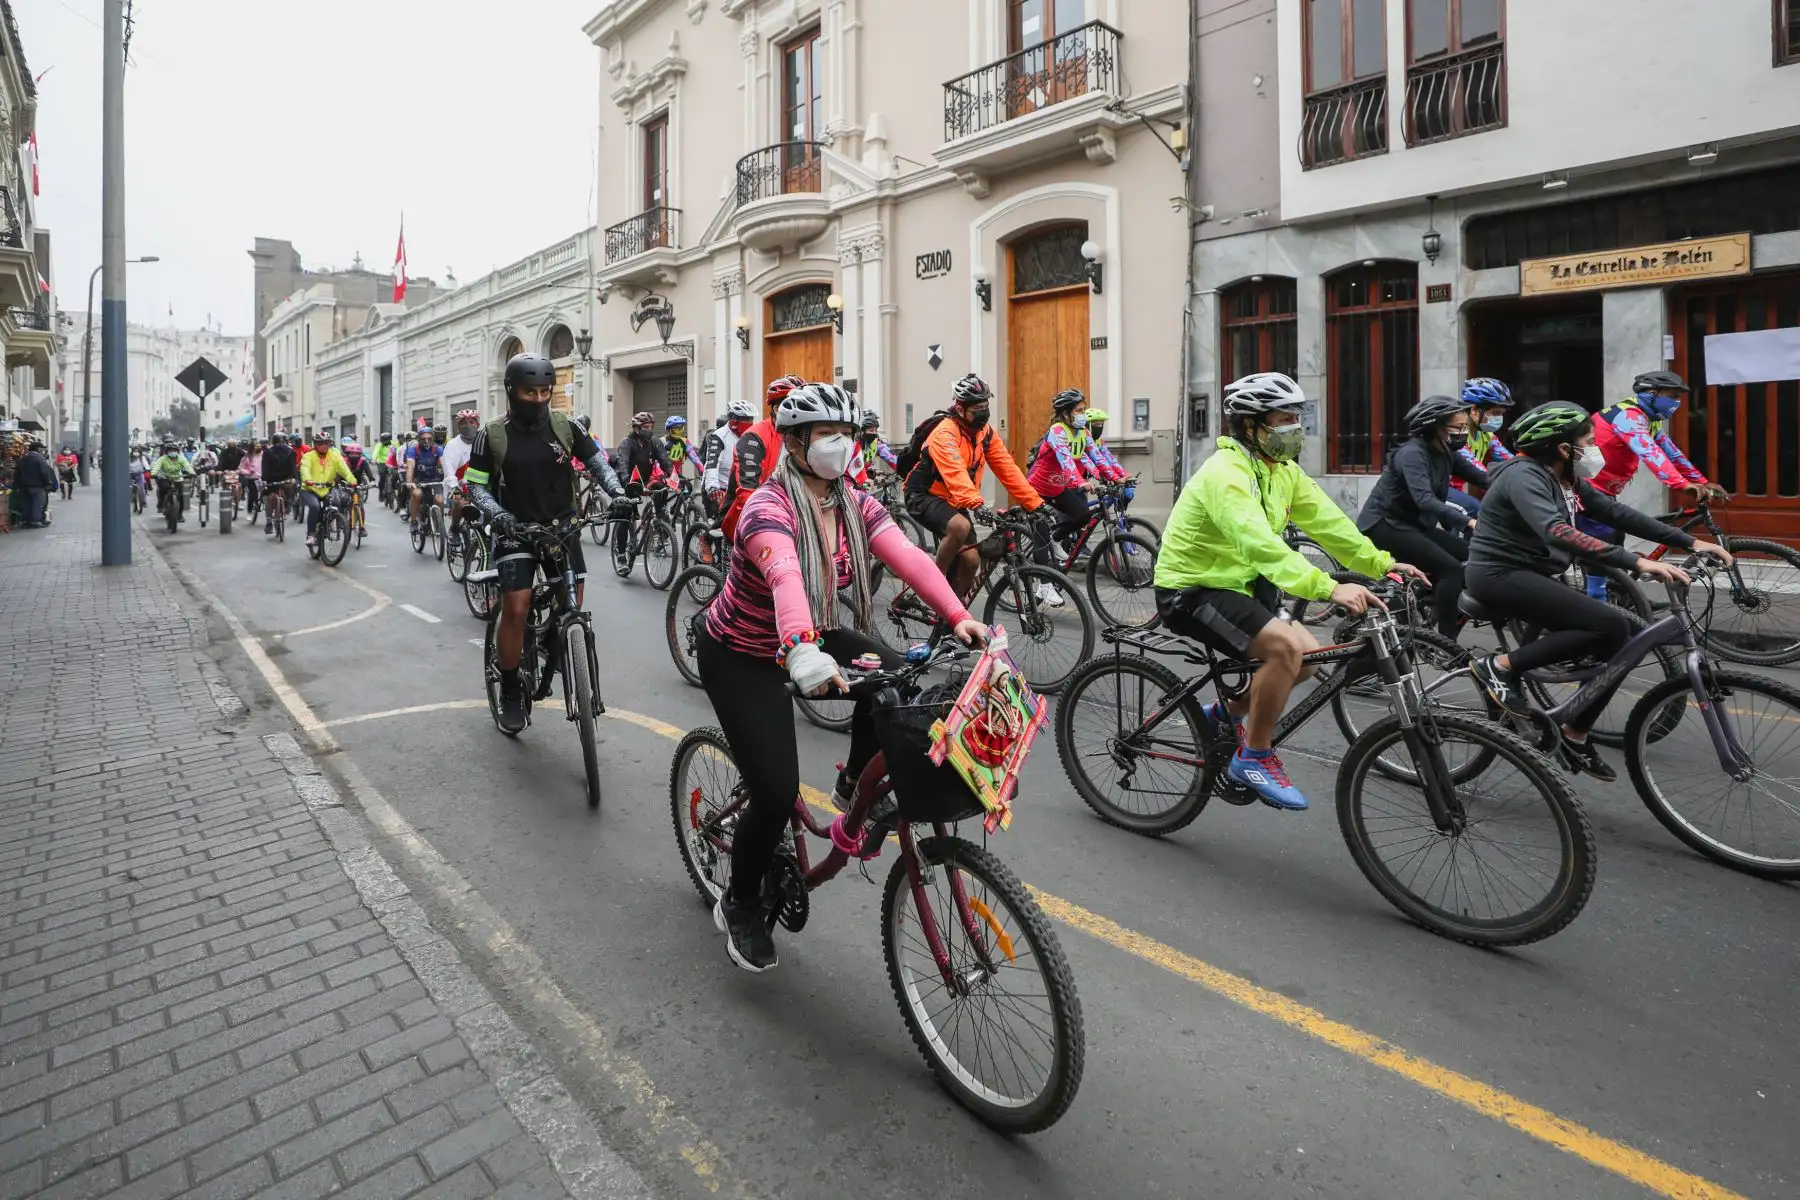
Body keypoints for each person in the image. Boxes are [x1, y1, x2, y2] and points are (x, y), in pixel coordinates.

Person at [697, 382, 987, 973]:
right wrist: (801, 649)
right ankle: (741, 902)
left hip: (816, 630)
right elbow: (785, 578)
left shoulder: (853, 501)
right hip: (744, 652)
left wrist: (958, 616)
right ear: (798, 443)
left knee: (897, 681)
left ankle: (853, 786)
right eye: (830, 435)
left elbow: (904, 555)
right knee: (776, 793)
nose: (844, 446)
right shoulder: (767, 506)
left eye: (849, 435)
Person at [1153, 372, 1424, 812]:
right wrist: (1329, 587)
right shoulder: (1226, 473)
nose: (1293, 429)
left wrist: (1381, 562)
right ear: (1250, 425)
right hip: (1193, 589)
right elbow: (1258, 543)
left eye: (1297, 419)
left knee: (1307, 657)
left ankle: (1224, 716)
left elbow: (1330, 523)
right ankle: (1254, 756)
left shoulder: (1281, 471)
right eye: (1283, 419)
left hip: (1242, 587)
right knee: (1284, 650)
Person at [1465, 402, 1732, 780]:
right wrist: (1637, 562)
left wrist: (1690, 543)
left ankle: (1575, 733)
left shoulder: (1564, 478)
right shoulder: (1523, 476)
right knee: (1608, 625)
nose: (1596, 449)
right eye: (1588, 441)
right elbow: (1556, 531)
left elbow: (1614, 512)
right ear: (1563, 448)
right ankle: (1497, 667)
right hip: (1500, 575)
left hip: (1536, 573)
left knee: (1623, 639)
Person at [465, 354, 623, 735]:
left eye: (543, 391)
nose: (537, 398)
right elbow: (475, 486)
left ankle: (559, 640)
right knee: (516, 607)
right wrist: (498, 516)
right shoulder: (493, 434)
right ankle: (509, 689)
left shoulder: (566, 427)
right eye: (528, 391)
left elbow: (598, 464)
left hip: (563, 530)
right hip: (514, 531)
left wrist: (619, 492)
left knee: (573, 604)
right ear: (511, 391)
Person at [903, 372, 1050, 604]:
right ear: (960, 409)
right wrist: (977, 504)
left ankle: (952, 613)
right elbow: (955, 472)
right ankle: (928, 587)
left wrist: (1035, 503)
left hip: (954, 500)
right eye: (977, 407)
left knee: (971, 561)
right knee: (960, 526)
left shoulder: (986, 434)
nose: (983, 411)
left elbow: (1007, 468)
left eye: (985, 405)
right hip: (923, 495)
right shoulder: (945, 432)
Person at [1582, 369, 1726, 598]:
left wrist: (1701, 481)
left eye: (1678, 397)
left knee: (1616, 540)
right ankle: (1596, 603)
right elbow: (1650, 453)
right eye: (1671, 396)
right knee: (1604, 544)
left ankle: (1618, 594)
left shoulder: (1650, 420)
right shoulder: (1628, 416)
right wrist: (1682, 485)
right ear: (1651, 393)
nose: (1676, 403)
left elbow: (1672, 453)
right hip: (1586, 491)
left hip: (1605, 492)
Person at [1357, 395, 1487, 639]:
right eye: (1458, 428)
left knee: (1472, 558)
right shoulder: (1413, 454)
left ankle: (1433, 602)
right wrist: (1468, 521)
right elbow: (1425, 500)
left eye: (1464, 427)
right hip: (1386, 524)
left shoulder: (1447, 451)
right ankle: (1445, 643)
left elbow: (1483, 478)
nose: (1463, 433)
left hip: (1413, 524)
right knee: (1451, 570)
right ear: (1435, 427)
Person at [723, 374, 807, 538]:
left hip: (789, 511)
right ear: (777, 409)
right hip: (748, 514)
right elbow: (747, 491)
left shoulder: (800, 435)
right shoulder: (754, 437)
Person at [1026, 388, 1104, 553]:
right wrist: (1080, 482)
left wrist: (1114, 477)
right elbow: (1066, 461)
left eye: (1084, 409)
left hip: (1057, 488)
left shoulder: (1082, 432)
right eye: (1079, 410)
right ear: (1066, 413)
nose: (1083, 414)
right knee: (1041, 533)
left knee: (1083, 515)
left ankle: (1056, 539)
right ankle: (1042, 577)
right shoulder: (1057, 431)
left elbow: (1096, 458)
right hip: (1037, 489)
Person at [297, 429, 358, 549]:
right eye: (321, 443)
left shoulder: (335, 456)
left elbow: (344, 469)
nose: (324, 446)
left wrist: (352, 481)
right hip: (310, 489)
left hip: (327, 488)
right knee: (314, 507)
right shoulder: (308, 456)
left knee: (336, 502)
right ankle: (311, 534)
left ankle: (330, 521)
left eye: (327, 443)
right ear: (316, 445)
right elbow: (305, 469)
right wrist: (308, 480)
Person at [701, 400, 754, 518]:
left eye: (751, 419)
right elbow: (712, 464)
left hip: (737, 488)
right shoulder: (718, 436)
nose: (750, 423)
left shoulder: (750, 436)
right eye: (747, 420)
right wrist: (712, 487)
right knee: (719, 527)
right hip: (718, 488)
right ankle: (707, 535)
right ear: (734, 420)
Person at [441, 409, 481, 547]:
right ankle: (455, 528)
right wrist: (454, 487)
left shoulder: (484, 440)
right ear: (458, 425)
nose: (468, 425)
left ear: (477, 424)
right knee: (460, 503)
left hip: (480, 484)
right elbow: (449, 470)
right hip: (457, 486)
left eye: (471, 422)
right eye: (464, 423)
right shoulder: (452, 445)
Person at [405, 427, 446, 535]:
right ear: (419, 439)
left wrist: (450, 478)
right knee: (417, 494)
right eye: (423, 439)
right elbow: (410, 466)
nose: (427, 441)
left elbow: (444, 465)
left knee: (440, 500)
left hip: (435, 479)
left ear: (433, 438)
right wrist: (409, 481)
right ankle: (413, 522)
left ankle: (439, 523)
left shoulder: (438, 449)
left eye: (429, 438)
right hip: (419, 480)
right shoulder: (413, 450)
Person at [847, 409, 899, 489]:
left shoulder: (876, 444)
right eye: (871, 430)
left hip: (863, 483)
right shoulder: (851, 444)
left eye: (876, 430)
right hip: (848, 483)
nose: (874, 433)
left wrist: (906, 469)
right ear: (861, 431)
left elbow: (891, 459)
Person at [260, 432, 299, 534]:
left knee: (289, 489)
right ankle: (269, 520)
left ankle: (288, 503)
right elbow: (265, 467)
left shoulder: (289, 452)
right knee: (268, 498)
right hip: (273, 480)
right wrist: (264, 479)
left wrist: (294, 478)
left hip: (284, 479)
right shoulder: (268, 452)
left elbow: (293, 467)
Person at [150, 441, 196, 523]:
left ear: (177, 451)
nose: (172, 451)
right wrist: (153, 474)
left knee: (181, 496)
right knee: (163, 488)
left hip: (177, 478)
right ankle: (161, 504)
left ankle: (180, 515)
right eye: (170, 450)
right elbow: (156, 466)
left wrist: (191, 472)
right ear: (167, 451)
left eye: (174, 450)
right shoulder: (162, 459)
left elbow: (187, 466)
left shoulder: (181, 458)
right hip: (164, 477)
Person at [14, 441, 58, 527]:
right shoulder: (39, 459)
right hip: (37, 485)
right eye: (42, 449)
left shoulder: (23, 459)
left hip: (24, 485)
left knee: (27, 503)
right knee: (37, 503)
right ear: (38, 449)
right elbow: (44, 472)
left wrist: (17, 485)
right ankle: (35, 520)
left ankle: (26, 520)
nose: (43, 451)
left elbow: (17, 473)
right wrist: (47, 483)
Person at [662, 415, 696, 483]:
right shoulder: (662, 441)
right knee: (663, 492)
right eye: (676, 428)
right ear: (669, 429)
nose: (679, 430)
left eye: (681, 428)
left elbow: (696, 459)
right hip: (662, 475)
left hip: (676, 474)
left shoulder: (685, 442)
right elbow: (656, 462)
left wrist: (703, 471)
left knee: (688, 486)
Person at [237, 440, 263, 516]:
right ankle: (250, 509)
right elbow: (241, 468)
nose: (258, 447)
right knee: (253, 493)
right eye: (255, 446)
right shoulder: (247, 457)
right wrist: (248, 472)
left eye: (258, 445)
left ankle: (259, 503)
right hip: (252, 478)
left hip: (262, 478)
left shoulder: (264, 455)